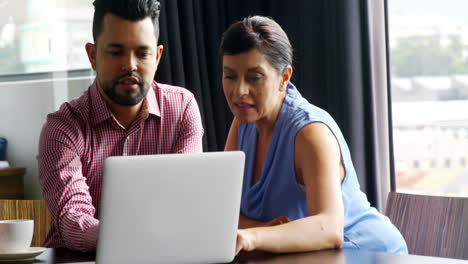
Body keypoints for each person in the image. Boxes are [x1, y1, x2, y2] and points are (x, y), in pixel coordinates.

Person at [220, 16, 408, 255]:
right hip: (304, 255)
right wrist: (266, 232)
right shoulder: (243, 121)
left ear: (284, 78)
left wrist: (254, 236)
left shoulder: (310, 133)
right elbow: (225, 215)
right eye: (230, 76)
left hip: (367, 252)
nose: (239, 91)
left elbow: (330, 228)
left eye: (254, 77)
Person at [37, 0, 204, 251]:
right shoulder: (62, 128)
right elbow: (73, 220)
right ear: (93, 56)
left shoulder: (182, 108)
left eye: (142, 53)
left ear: (157, 57)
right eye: (116, 52)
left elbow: (185, 200)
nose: (130, 65)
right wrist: (141, 238)